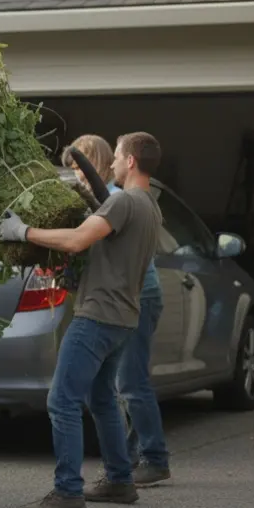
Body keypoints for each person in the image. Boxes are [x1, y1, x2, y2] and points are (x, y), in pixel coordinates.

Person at [0, 132, 164, 508]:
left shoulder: (124, 201)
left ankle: (67, 492)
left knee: (62, 400)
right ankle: (120, 480)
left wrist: (23, 232)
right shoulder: (149, 206)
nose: (115, 162)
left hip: (98, 315)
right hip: (124, 318)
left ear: (132, 162)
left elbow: (76, 241)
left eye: (119, 156)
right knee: (102, 398)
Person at [62, 136, 172, 486]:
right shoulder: (123, 196)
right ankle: (122, 468)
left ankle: (153, 458)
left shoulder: (123, 198)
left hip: (132, 295)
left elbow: (84, 237)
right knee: (107, 391)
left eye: (80, 166)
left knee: (130, 383)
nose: (79, 174)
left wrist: (27, 232)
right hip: (126, 297)